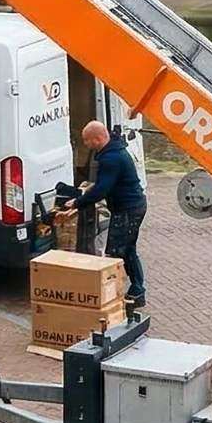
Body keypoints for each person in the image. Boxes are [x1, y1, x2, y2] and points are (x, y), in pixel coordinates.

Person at [70, 119, 147, 310]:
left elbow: (102, 189)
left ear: (98, 138)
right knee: (128, 249)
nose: (86, 145)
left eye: (87, 140)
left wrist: (78, 203)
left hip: (127, 209)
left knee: (115, 252)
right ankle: (137, 290)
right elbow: (104, 185)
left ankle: (114, 297)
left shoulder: (110, 158)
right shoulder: (114, 151)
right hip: (134, 206)